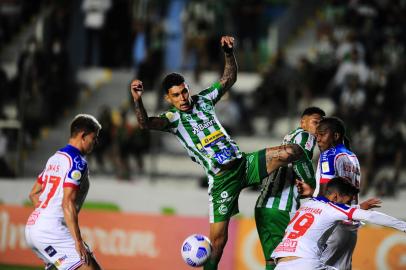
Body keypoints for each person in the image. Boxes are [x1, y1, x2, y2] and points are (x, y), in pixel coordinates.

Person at [129, 35, 305, 270]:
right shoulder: (172, 119)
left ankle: (312, 185)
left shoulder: (203, 100)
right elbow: (144, 123)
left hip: (244, 164)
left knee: (291, 151)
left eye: (184, 92)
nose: (182, 98)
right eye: (176, 95)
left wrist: (229, 53)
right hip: (222, 182)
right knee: (218, 244)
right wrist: (138, 100)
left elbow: (229, 78)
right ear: (167, 99)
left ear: (188, 89)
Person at [271, 177, 403, 270]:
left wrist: (357, 207)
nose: (347, 207)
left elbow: (324, 213)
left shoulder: (307, 205)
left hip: (281, 264)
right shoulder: (332, 208)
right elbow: (371, 216)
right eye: (346, 203)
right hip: (306, 264)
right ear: (335, 197)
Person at [25, 114, 102, 270]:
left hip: (33, 227)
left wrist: (44, 217)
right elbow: (67, 202)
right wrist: (78, 241)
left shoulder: (54, 158)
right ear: (83, 136)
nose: (96, 142)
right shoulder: (77, 162)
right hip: (52, 230)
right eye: (94, 138)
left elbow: (33, 193)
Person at [255, 107, 326, 270]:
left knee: (272, 261)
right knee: (295, 259)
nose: (319, 128)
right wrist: (313, 187)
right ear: (303, 122)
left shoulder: (289, 137)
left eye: (322, 125)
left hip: (263, 206)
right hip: (282, 207)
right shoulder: (305, 135)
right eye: (316, 122)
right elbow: (300, 161)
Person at [314, 117, 362, 269]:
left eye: (322, 134)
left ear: (335, 136)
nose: (318, 139)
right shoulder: (353, 157)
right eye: (317, 135)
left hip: (333, 227)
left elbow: (324, 193)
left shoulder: (329, 155)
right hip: (350, 228)